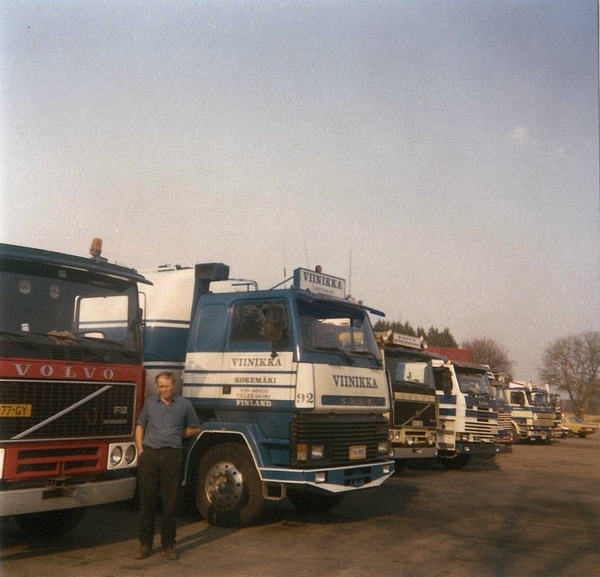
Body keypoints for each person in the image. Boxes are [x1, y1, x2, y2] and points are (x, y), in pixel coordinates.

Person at [134, 371, 201, 561]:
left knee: (170, 503)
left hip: (173, 455)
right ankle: (145, 545)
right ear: (158, 387)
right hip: (150, 455)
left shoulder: (184, 405)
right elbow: (140, 425)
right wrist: (140, 450)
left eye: (167, 386)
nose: (164, 390)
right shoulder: (149, 404)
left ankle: (169, 546)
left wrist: (179, 434)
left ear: (174, 386)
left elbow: (195, 427)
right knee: (147, 502)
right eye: (161, 386)